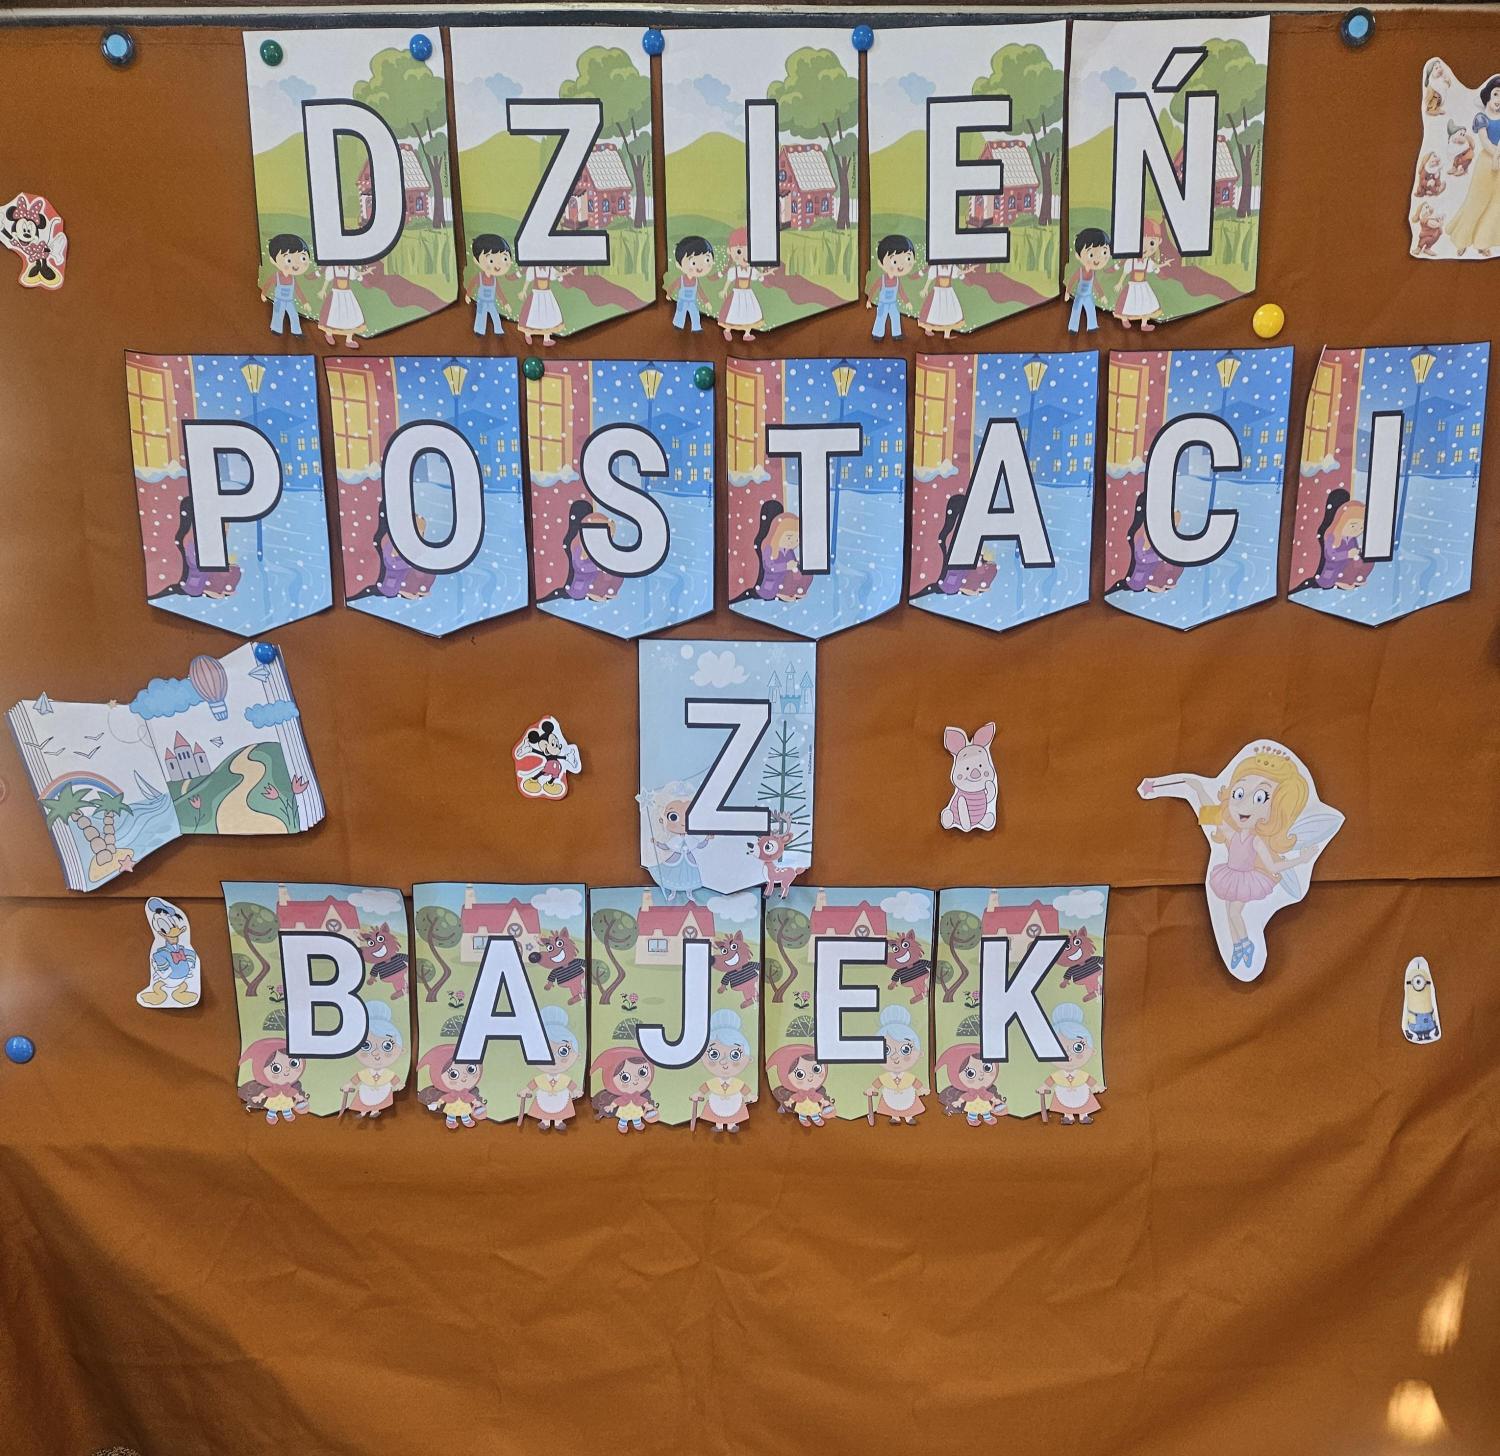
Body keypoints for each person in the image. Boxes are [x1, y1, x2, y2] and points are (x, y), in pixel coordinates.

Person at [261, 233, 311, 336]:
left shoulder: (293, 279)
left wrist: (305, 302)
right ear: (273, 261)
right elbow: (268, 284)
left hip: (289, 301)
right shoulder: (276, 276)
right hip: (279, 300)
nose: (296, 265)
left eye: (303, 258)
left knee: (294, 315)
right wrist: (263, 294)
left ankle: (296, 331)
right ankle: (276, 329)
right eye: (289, 260)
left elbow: (298, 290)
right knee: (278, 314)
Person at [867, 234, 915, 339]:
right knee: (881, 317)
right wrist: (869, 300)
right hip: (883, 304)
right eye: (894, 261)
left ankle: (897, 334)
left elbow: (901, 292)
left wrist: (907, 302)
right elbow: (874, 289)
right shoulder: (882, 279)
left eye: (907, 258)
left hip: (893, 303)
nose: (900, 266)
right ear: (881, 263)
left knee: (896, 316)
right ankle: (877, 334)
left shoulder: (897, 280)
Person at [1065, 227, 1113, 333]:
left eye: (1104, 253)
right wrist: (1067, 292)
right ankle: (1072, 327)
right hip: (1079, 295)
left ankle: (1092, 326)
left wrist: (1102, 295)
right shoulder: (1080, 271)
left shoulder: (1093, 273)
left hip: (1088, 296)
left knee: (1091, 309)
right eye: (1091, 255)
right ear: (1078, 256)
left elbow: (1096, 284)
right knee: (1076, 309)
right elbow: (1072, 281)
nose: (1097, 259)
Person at [467, 233, 514, 336]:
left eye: (504, 259)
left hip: (491, 302)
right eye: (491, 260)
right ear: (476, 260)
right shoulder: (479, 277)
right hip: (481, 302)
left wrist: (505, 303)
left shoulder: (494, 280)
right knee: (481, 315)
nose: (498, 265)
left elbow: (499, 292)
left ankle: (498, 330)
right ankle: (479, 330)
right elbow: (472, 285)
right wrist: (468, 295)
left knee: (495, 315)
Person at [666, 235, 715, 332]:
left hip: (692, 301)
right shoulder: (681, 279)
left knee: (695, 313)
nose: (700, 267)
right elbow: (673, 286)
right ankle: (678, 324)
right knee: (680, 313)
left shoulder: (696, 281)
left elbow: (700, 292)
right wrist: (668, 294)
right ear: (679, 265)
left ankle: (696, 327)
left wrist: (706, 302)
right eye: (693, 263)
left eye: (707, 260)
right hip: (682, 301)